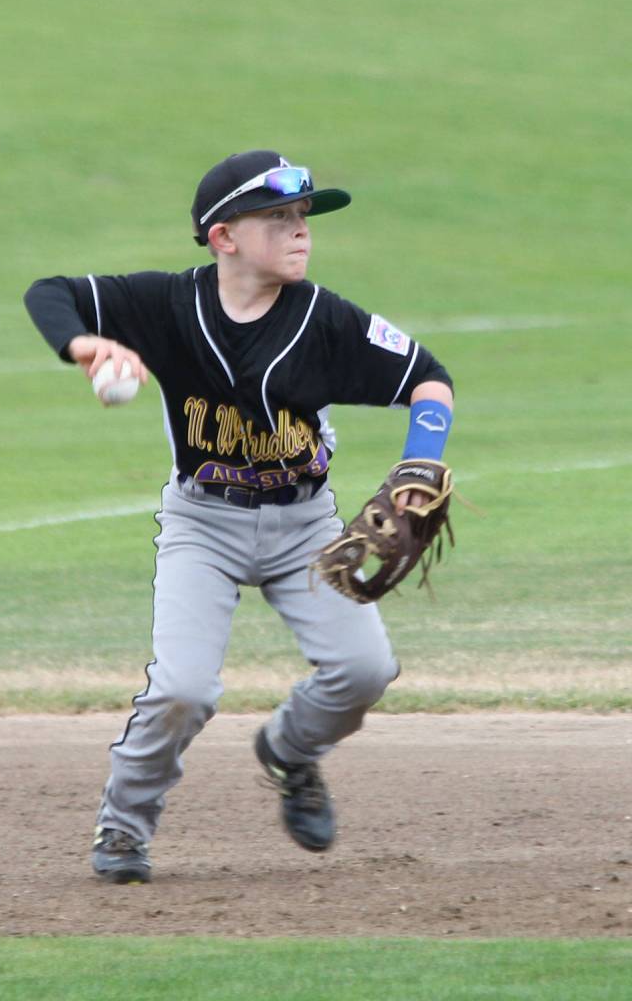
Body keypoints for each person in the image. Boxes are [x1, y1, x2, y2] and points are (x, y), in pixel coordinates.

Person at [24, 150, 454, 884]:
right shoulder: (163, 304)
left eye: (303, 217)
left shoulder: (326, 319)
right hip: (203, 526)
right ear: (224, 237)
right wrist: (84, 343)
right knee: (183, 689)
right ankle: (124, 828)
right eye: (278, 217)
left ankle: (289, 752)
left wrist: (420, 459)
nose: (300, 231)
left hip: (306, 528)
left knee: (364, 670)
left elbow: (428, 380)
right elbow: (51, 291)